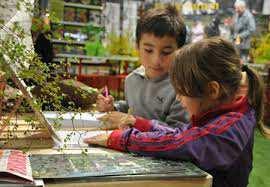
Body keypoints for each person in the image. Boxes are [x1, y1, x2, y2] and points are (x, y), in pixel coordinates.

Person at [84, 37, 265, 187]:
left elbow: (181, 143)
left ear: (212, 91)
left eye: (182, 92)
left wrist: (121, 139)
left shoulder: (230, 126)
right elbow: (185, 135)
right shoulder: (224, 113)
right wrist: (140, 123)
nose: (178, 98)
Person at [96, 5, 188, 127]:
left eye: (166, 52)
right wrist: (114, 107)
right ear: (137, 47)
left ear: (180, 51)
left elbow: (178, 134)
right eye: (148, 50)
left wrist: (134, 122)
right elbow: (133, 108)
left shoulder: (182, 88)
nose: (156, 60)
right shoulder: (132, 80)